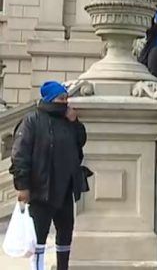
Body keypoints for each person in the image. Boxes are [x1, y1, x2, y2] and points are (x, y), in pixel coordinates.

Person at [10, 81, 88, 270]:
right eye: (61, 98)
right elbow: (20, 155)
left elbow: (80, 144)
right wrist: (23, 186)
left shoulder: (68, 120)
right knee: (39, 239)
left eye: (66, 98)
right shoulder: (32, 120)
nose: (65, 102)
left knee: (65, 235)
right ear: (50, 99)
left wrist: (75, 123)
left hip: (65, 190)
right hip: (41, 189)